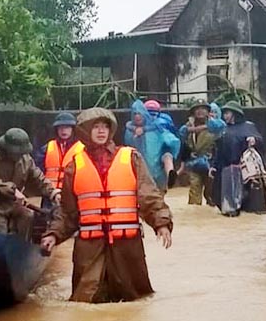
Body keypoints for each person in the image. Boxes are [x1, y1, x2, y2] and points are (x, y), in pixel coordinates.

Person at [41, 108, 173, 303]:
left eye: (105, 126)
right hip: (90, 248)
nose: (101, 131)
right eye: (96, 127)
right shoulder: (74, 166)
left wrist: (161, 223)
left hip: (127, 247)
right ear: (85, 131)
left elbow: (149, 195)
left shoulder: (131, 157)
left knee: (137, 302)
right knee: (84, 302)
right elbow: (68, 213)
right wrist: (53, 234)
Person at [0, 127, 59, 235]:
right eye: (16, 152)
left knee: (28, 216)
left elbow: (39, 178)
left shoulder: (26, 159)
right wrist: (12, 190)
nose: (20, 155)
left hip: (13, 204)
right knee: (0, 230)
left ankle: (22, 248)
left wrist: (54, 193)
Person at [211, 101, 264, 217]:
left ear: (235, 113)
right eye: (224, 113)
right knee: (230, 207)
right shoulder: (224, 130)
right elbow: (219, 151)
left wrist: (254, 140)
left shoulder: (248, 126)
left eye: (227, 113)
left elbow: (260, 140)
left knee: (251, 205)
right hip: (227, 171)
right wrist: (214, 166)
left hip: (246, 170)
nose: (225, 116)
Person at [124, 99, 181, 192]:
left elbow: (173, 141)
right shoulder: (130, 130)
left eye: (140, 113)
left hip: (157, 171)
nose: (137, 116)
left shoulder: (157, 128)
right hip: (140, 174)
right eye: (135, 114)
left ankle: (170, 172)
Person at [178, 100, 221, 206]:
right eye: (197, 109)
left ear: (208, 111)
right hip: (194, 164)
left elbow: (221, 143)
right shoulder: (187, 127)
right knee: (194, 196)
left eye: (203, 109)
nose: (200, 111)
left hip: (211, 164)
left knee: (212, 196)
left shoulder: (216, 125)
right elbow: (183, 143)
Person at [36, 112, 84, 206]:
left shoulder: (82, 149)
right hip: (49, 195)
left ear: (73, 129)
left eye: (67, 127)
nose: (63, 130)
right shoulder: (47, 147)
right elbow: (37, 171)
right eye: (60, 127)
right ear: (56, 129)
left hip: (72, 195)